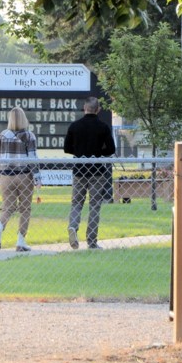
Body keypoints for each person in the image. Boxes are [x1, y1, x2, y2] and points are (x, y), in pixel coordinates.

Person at [64, 97, 116, 250]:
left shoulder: (75, 126)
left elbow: (67, 148)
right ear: (98, 109)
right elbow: (111, 149)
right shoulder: (103, 127)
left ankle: (73, 226)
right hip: (97, 171)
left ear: (84, 108)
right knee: (94, 205)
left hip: (79, 170)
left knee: (76, 203)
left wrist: (80, 153)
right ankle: (91, 240)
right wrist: (98, 153)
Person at [0, 107, 41, 252]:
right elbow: (32, 159)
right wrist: (37, 178)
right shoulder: (29, 136)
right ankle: (20, 241)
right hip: (24, 176)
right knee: (25, 209)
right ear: (23, 119)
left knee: (8, 207)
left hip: (6, 176)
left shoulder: (1, 136)